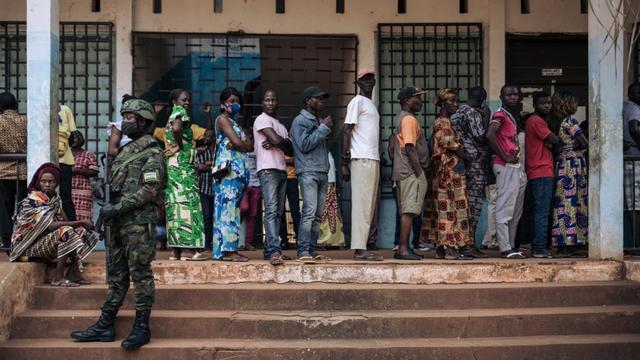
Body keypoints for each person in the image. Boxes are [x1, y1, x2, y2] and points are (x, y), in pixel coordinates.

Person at [70, 98, 166, 350]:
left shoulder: (153, 151)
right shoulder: (125, 150)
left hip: (137, 223)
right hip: (117, 222)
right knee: (116, 274)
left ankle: (142, 326)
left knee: (140, 273)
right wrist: (104, 192)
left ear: (143, 122)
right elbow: (120, 185)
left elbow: (150, 190)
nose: (124, 122)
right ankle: (105, 323)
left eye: (130, 117)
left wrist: (119, 206)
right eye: (124, 116)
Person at [10, 163, 97, 286]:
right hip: (27, 249)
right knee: (66, 230)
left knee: (81, 231)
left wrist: (77, 224)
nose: (47, 185)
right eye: (43, 181)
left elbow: (65, 220)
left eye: (51, 182)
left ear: (57, 183)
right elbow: (50, 225)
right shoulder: (33, 201)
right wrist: (80, 222)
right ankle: (58, 277)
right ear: (39, 182)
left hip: (44, 244)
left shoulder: (55, 200)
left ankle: (74, 273)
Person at [421, 89, 476, 260]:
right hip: (448, 174)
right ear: (443, 103)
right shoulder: (443, 123)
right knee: (449, 210)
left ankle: (441, 248)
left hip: (449, 172)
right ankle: (451, 248)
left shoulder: (445, 122)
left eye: (457, 101)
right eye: (452, 101)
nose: (456, 104)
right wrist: (468, 158)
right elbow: (452, 145)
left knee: (444, 209)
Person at [341, 68, 383, 261]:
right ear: (358, 83)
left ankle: (363, 246)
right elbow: (347, 130)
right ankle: (359, 249)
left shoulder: (370, 104)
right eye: (364, 79)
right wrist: (344, 161)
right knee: (361, 205)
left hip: (371, 158)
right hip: (362, 158)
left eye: (371, 79)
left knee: (368, 205)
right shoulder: (357, 102)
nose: (368, 82)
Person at [290, 86, 333, 264]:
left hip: (321, 171)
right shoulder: (300, 121)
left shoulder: (318, 119)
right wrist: (323, 128)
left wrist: (322, 126)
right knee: (308, 211)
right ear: (308, 101)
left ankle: (312, 249)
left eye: (323, 98)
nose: (322, 101)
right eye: (318, 98)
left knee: (317, 214)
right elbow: (304, 144)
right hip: (308, 171)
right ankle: (303, 251)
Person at [164, 89, 206, 261]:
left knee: (175, 204)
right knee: (188, 203)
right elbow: (177, 129)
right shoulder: (179, 112)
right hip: (183, 168)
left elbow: (174, 130)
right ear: (175, 101)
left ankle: (176, 251)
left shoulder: (170, 116)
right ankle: (189, 251)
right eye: (184, 100)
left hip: (173, 167)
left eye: (188, 100)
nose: (187, 103)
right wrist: (181, 145)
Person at [485, 85, 527, 259]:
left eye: (516, 94)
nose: (513, 97)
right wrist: (504, 156)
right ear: (501, 97)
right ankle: (505, 248)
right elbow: (490, 135)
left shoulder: (512, 116)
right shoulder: (500, 114)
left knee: (516, 211)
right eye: (509, 95)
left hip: (515, 167)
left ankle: (511, 246)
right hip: (504, 165)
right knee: (504, 208)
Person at [212, 87, 253, 261]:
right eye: (231, 101)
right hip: (228, 174)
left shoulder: (236, 123)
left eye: (237, 101)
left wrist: (239, 144)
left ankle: (226, 249)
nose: (235, 104)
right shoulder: (222, 119)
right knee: (228, 210)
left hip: (238, 174)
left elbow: (250, 146)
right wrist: (238, 143)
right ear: (223, 104)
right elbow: (238, 142)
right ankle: (228, 251)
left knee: (232, 210)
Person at [253, 90, 292, 265]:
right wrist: (279, 142)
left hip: (281, 169)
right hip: (268, 169)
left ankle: (270, 249)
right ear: (263, 102)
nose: (270, 102)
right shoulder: (261, 119)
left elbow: (291, 149)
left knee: (278, 212)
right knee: (271, 210)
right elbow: (280, 142)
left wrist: (278, 142)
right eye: (267, 99)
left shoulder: (280, 125)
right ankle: (275, 251)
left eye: (273, 99)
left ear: (277, 102)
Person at [549, 90, 588, 257]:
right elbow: (582, 142)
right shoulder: (569, 122)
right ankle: (571, 242)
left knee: (565, 203)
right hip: (573, 164)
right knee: (573, 202)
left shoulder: (563, 122)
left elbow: (580, 141)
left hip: (566, 164)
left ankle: (567, 242)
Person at [393, 86, 429, 261]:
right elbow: (409, 148)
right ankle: (403, 248)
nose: (420, 102)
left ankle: (404, 247)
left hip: (403, 171)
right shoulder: (409, 120)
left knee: (407, 210)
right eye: (417, 98)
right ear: (407, 101)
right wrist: (419, 172)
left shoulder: (404, 118)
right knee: (409, 211)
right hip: (410, 172)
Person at [450, 87, 490, 244]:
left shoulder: (457, 113)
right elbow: (481, 137)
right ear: (482, 99)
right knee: (474, 204)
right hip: (475, 163)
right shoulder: (472, 113)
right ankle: (469, 244)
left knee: (463, 204)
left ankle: (462, 242)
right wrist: (486, 117)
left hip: (461, 163)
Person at [524, 91, 559, 258]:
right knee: (542, 211)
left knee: (538, 210)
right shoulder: (536, 121)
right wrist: (553, 141)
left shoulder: (537, 121)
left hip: (537, 171)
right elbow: (555, 140)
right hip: (541, 170)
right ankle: (539, 247)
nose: (547, 105)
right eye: (543, 103)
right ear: (535, 105)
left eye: (549, 103)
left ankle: (536, 244)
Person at [0, 92, 27, 250]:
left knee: (4, 209)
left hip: (3, 172)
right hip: (22, 171)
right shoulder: (24, 121)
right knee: (23, 208)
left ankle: (6, 241)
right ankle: (23, 240)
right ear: (16, 105)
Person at [69, 131, 99, 222]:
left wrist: (76, 170)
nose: (74, 140)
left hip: (83, 190)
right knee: (69, 215)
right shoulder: (65, 154)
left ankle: (83, 235)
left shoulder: (88, 155)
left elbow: (94, 172)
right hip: (67, 190)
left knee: (83, 216)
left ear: (81, 140)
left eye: (77, 138)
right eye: (72, 138)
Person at [318, 152, 346, 247]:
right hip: (325, 181)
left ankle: (329, 240)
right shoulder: (324, 152)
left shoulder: (328, 153)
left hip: (330, 181)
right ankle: (325, 241)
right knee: (326, 211)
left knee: (330, 212)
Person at [623, 82, 640, 242]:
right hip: (632, 158)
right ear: (631, 94)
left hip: (630, 156)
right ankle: (635, 242)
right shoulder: (633, 108)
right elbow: (634, 128)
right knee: (634, 203)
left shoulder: (626, 107)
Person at [195, 129, 215, 252]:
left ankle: (212, 242)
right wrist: (212, 165)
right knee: (205, 216)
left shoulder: (218, 151)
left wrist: (207, 165)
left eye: (208, 136)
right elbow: (198, 167)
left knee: (214, 217)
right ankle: (205, 243)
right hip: (203, 188)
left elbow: (224, 165)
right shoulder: (201, 151)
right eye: (205, 136)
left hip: (216, 189)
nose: (205, 138)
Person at [58, 105, 78, 221]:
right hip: (64, 159)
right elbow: (72, 133)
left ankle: (71, 227)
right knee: (65, 196)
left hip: (63, 161)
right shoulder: (65, 109)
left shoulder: (65, 109)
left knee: (64, 197)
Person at [241, 147, 262, 251]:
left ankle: (248, 242)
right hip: (244, 184)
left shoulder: (258, 149)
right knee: (243, 208)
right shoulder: (240, 147)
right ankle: (238, 241)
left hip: (256, 184)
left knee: (252, 215)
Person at [279, 155, 301, 250]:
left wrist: (281, 160)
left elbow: (297, 159)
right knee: (280, 211)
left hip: (292, 178)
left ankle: (299, 239)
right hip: (279, 178)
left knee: (295, 210)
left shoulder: (291, 142)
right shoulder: (276, 142)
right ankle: (284, 240)